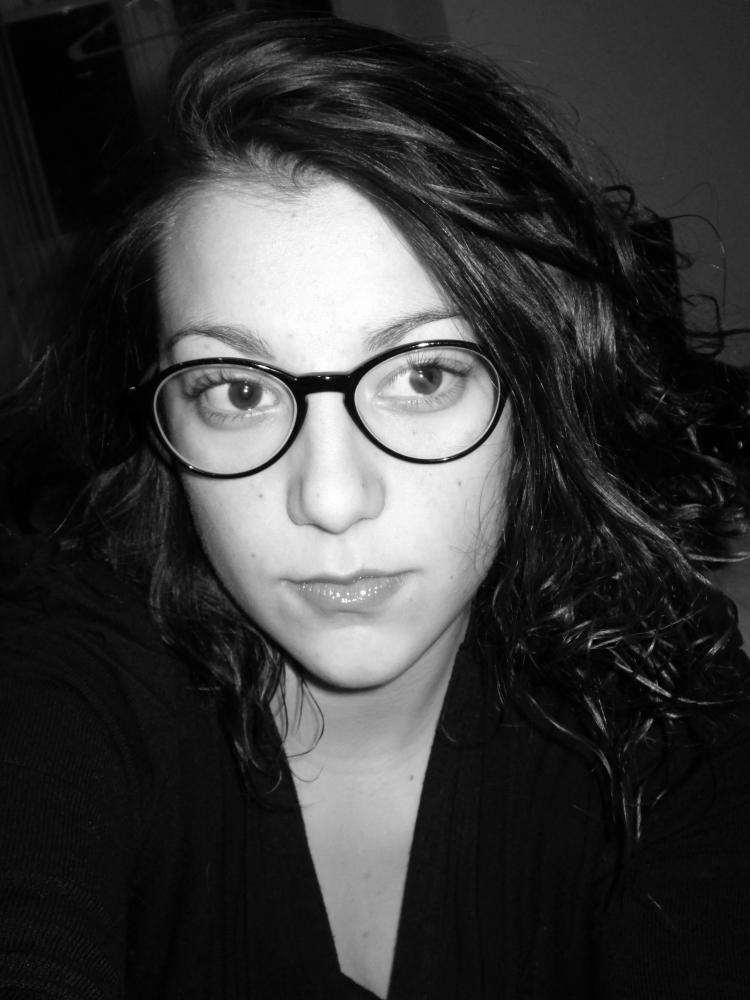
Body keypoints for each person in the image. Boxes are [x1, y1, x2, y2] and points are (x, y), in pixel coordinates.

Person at [1, 12, 749, 999]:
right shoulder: (66, 678)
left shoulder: (661, 686)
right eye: (237, 390)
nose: (330, 498)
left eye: (424, 375)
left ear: (539, 395)